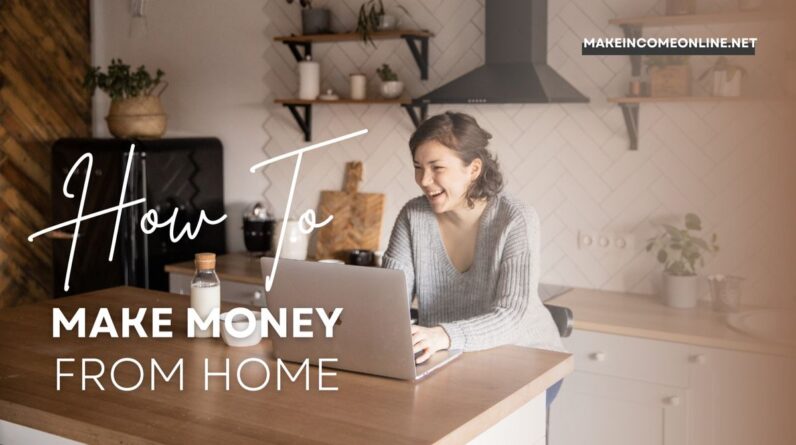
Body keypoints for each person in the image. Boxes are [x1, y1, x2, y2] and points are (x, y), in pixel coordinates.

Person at [382, 111, 565, 405]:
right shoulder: (413, 216)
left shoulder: (515, 219)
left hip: (527, 361)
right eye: (418, 167)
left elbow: (512, 317)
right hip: (449, 360)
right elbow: (388, 302)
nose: (424, 180)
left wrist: (442, 335)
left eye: (436, 167)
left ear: (474, 168)